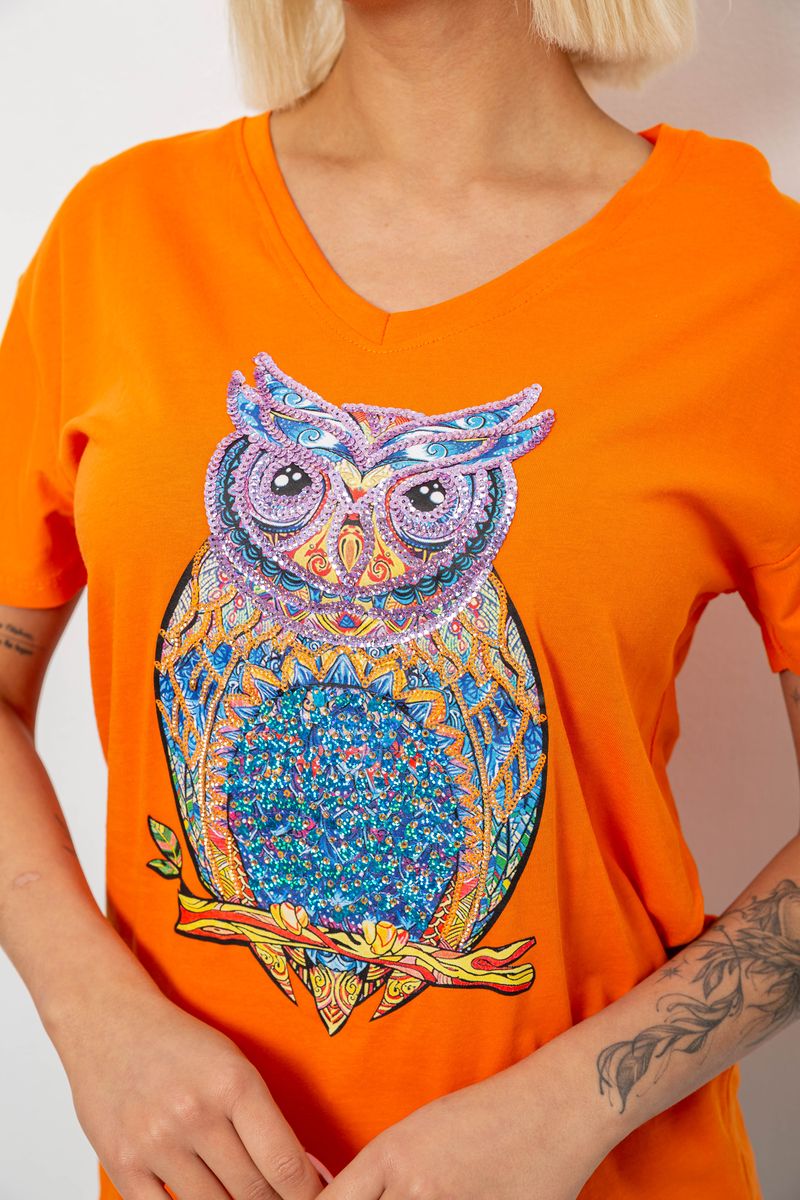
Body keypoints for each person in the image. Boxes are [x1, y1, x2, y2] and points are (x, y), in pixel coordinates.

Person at [1, 1, 798, 1197]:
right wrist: (91, 1015)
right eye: (297, 488)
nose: (351, 548)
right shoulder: (125, 233)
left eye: (416, 503)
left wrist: (567, 1109)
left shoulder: (753, 272)